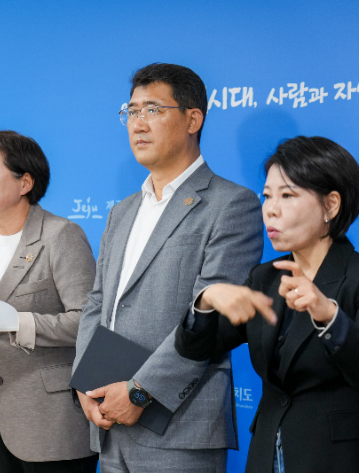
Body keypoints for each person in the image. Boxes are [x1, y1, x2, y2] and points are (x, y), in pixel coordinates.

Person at [73, 63, 265, 473]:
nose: (138, 123)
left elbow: (211, 319)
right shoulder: (122, 212)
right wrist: (84, 383)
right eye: (131, 111)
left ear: (193, 119)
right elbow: (97, 302)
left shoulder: (230, 204)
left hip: (179, 429)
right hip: (109, 422)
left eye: (153, 110)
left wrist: (140, 391)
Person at [175, 136, 359, 473]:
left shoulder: (355, 277)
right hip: (265, 455)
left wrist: (329, 316)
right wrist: (205, 300)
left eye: (287, 196)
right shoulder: (264, 278)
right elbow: (196, 350)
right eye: (267, 196)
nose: (271, 209)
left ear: (331, 206)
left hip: (335, 459)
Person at [0, 130, 98, 472]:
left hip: (52, 420)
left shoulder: (60, 235)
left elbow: (88, 320)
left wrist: (19, 323)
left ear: (25, 182)